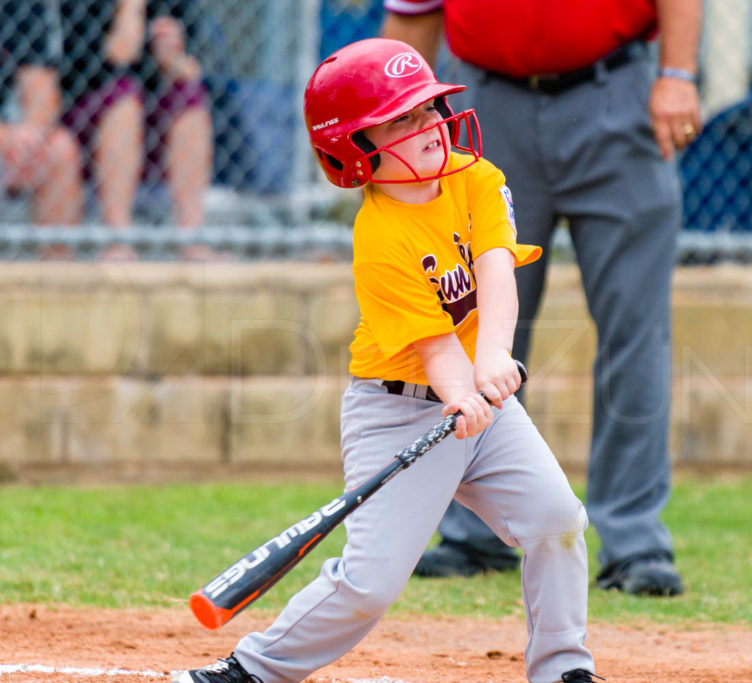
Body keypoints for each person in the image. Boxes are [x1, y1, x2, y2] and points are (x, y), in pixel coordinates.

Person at [172, 38, 600, 683]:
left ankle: (564, 671)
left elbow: (496, 273)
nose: (429, 125)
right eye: (401, 119)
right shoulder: (379, 237)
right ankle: (253, 670)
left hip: (483, 404)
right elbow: (433, 348)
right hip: (396, 411)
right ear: (356, 150)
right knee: (370, 583)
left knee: (557, 519)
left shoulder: (476, 178)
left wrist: (493, 363)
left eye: (428, 108)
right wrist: (464, 390)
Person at [382, 0, 703, 596]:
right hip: (482, 110)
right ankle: (474, 533)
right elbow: (412, 18)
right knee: (474, 328)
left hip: (615, 95)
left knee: (635, 331)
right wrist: (387, 139)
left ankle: (634, 541)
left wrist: (678, 74)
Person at [59, 0, 212, 259]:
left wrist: (174, 60)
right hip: (90, 128)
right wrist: (131, 8)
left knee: (190, 97)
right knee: (125, 97)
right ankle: (117, 240)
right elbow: (117, 56)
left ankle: (191, 238)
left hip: (150, 134)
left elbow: (199, 74)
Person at [0, 0, 83, 236]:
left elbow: (41, 87)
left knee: (60, 149)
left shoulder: (20, 6)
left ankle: (56, 269)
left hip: (10, 139)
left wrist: (28, 138)